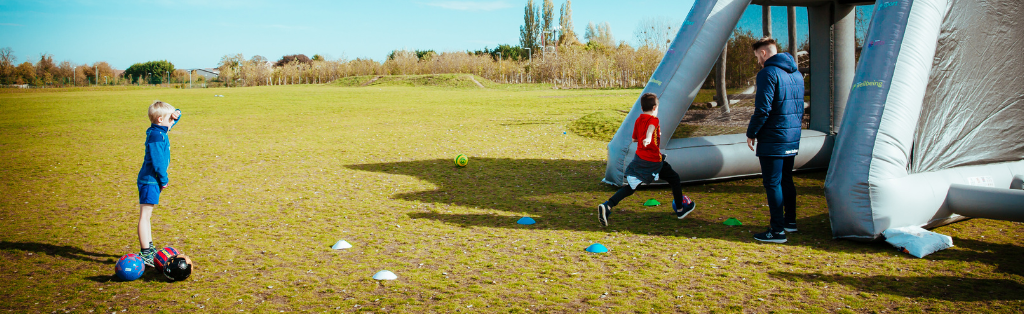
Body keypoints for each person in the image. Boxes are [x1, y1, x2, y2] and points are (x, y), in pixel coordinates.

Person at [598, 93, 696, 226]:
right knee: (675, 179)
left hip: (640, 159)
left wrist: (650, 136)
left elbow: (634, 139)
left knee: (631, 187)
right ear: (655, 107)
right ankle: (680, 209)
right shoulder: (654, 120)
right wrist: (649, 137)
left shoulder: (638, 120)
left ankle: (608, 205)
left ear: (642, 108)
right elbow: (650, 129)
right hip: (653, 162)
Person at [745, 37, 804, 243]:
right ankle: (790, 222)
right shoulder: (796, 74)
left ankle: (777, 231)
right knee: (786, 179)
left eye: (757, 57)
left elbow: (763, 109)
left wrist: (751, 132)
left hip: (773, 138)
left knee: (773, 183)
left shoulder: (768, 73)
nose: (758, 62)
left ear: (763, 53)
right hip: (792, 136)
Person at [136, 101, 182, 265]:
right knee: (145, 216)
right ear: (160, 119)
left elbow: (174, 118)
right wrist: (164, 180)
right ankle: (145, 252)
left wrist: (176, 113)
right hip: (150, 181)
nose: (173, 121)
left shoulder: (158, 129)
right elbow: (158, 162)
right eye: (170, 119)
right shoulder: (157, 136)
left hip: (152, 181)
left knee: (147, 216)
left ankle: (149, 246)